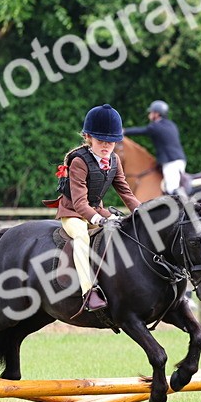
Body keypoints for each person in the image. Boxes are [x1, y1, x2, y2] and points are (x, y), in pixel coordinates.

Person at [50, 104, 142, 312]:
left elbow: (125, 192)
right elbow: (80, 203)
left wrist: (141, 211)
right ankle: (88, 292)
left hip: (96, 210)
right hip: (73, 213)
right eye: (101, 141)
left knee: (124, 229)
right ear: (88, 137)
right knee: (81, 237)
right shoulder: (79, 162)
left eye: (111, 142)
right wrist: (100, 220)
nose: (106, 146)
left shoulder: (114, 160)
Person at [123, 100, 189, 195]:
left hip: (171, 162)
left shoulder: (156, 127)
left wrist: (124, 131)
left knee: (171, 188)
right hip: (178, 159)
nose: (149, 114)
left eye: (151, 112)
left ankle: (184, 204)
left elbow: (141, 131)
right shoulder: (171, 125)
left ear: (157, 114)